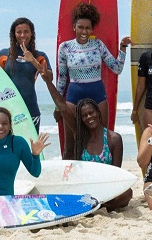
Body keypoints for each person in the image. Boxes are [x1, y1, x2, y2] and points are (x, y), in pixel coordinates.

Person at [40, 67, 133, 209]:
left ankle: (98, 205)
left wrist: (106, 191)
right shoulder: (80, 136)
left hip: (106, 188)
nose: (89, 117)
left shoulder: (114, 139)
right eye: (84, 115)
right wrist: (48, 82)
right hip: (85, 187)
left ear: (98, 112)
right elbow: (63, 108)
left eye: (91, 113)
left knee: (127, 194)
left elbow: (116, 174)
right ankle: (93, 205)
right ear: (81, 119)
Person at [55, 2, 131, 127]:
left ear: (92, 29)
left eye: (87, 28)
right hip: (74, 95)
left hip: (97, 94)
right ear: (74, 27)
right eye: (80, 27)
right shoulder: (65, 47)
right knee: (72, 142)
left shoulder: (98, 45)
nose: (84, 31)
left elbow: (117, 68)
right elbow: (62, 78)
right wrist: (58, 106)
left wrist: (123, 48)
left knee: (102, 138)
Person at [0, 17, 50, 132]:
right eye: (19, 32)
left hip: (31, 109)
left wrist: (33, 61)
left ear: (32, 33)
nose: (22, 35)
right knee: (10, 147)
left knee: (32, 148)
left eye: (26, 31)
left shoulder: (39, 55)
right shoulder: (4, 54)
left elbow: (48, 78)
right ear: (13, 34)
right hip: (8, 109)